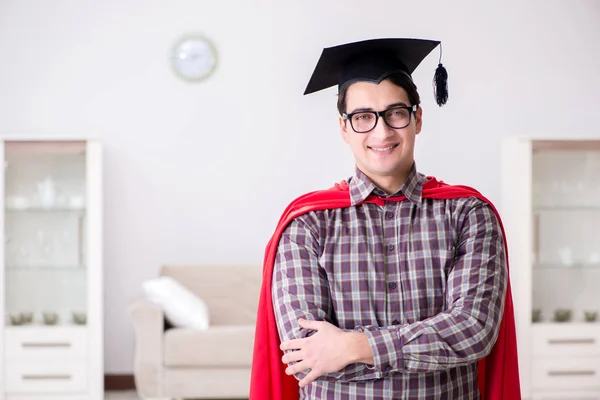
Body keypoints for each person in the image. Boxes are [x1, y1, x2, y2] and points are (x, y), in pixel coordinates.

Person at [250, 38, 520, 400]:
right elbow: (306, 352)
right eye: (363, 117)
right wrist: (428, 348)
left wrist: (354, 346)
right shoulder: (307, 225)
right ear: (344, 128)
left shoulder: (468, 214)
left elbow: (473, 330)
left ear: (417, 118)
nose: (382, 132)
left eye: (395, 113)